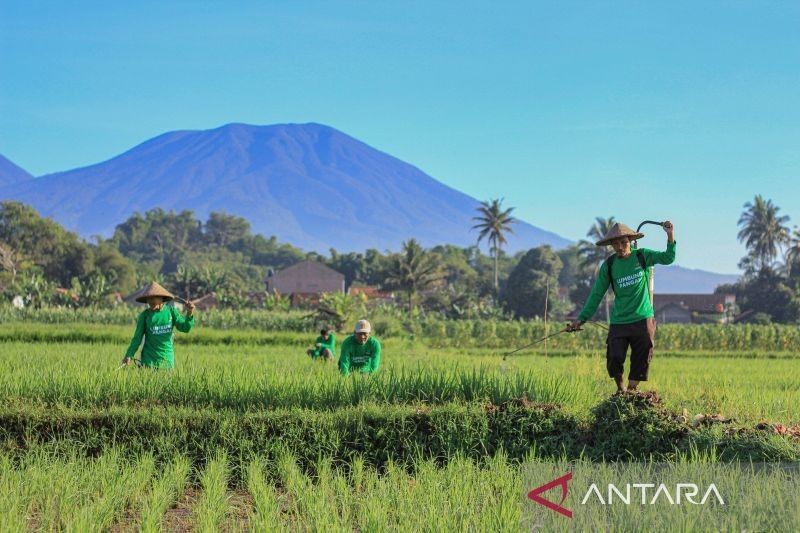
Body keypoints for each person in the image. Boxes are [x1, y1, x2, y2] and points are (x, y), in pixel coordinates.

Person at [568, 221, 676, 392]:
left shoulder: (642, 256)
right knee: (614, 357)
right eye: (615, 244)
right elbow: (596, 294)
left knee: (642, 356)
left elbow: (668, 258)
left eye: (623, 242)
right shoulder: (609, 266)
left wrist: (670, 235)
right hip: (620, 320)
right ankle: (621, 389)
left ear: (631, 241)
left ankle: (632, 391)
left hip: (643, 317)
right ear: (611, 245)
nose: (620, 247)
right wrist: (581, 319)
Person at [122, 281, 195, 369]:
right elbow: (137, 338)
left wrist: (190, 313)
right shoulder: (145, 316)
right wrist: (129, 355)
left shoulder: (171, 312)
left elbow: (185, 328)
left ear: (162, 298)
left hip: (167, 362)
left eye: (154, 298)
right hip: (148, 362)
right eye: (149, 298)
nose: (150, 301)